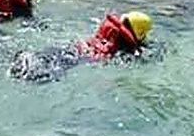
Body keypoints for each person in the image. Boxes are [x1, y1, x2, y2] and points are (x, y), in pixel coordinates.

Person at [8, 11, 154, 83]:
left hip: (75, 48)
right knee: (49, 73)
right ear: (140, 32)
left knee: (53, 56)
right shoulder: (126, 49)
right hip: (82, 59)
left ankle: (29, 59)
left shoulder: (109, 34)